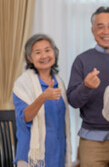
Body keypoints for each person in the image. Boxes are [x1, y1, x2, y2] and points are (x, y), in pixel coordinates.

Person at [67, 6, 109, 167]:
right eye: (100, 27)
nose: (106, 31)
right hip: (91, 140)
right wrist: (86, 86)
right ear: (93, 31)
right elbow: (72, 100)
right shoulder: (82, 60)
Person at [13, 34, 71, 167]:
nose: (44, 56)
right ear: (29, 58)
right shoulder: (22, 84)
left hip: (58, 152)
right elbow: (24, 118)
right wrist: (43, 97)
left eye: (47, 50)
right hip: (32, 157)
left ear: (54, 53)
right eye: (38, 52)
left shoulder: (59, 81)